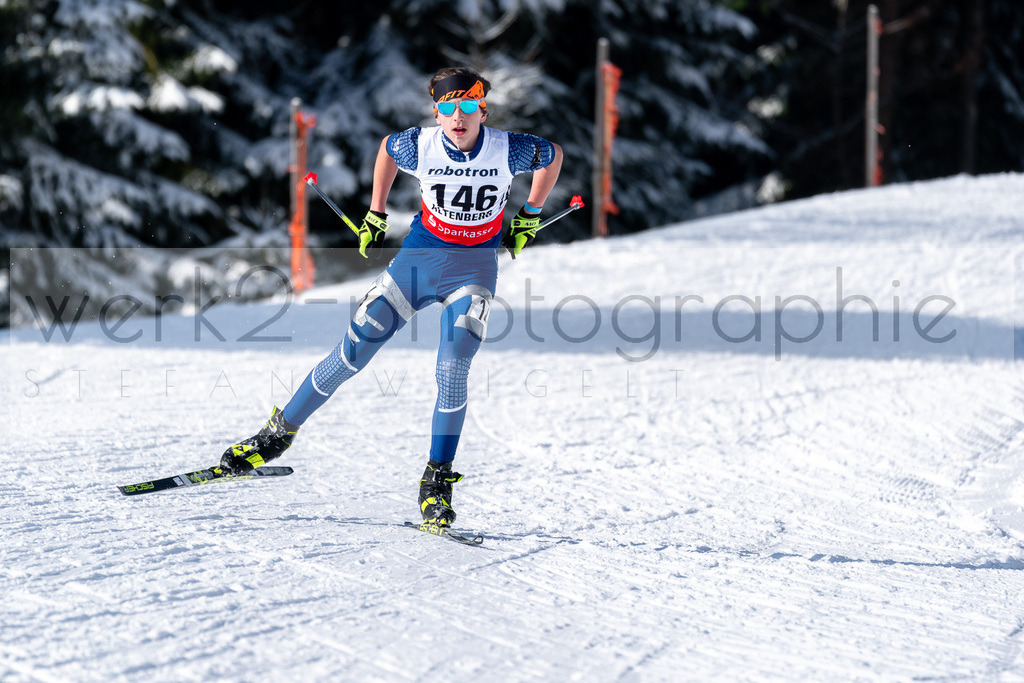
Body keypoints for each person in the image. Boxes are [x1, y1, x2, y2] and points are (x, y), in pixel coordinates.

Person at [219, 67, 563, 527]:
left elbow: (553, 155)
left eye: (466, 107)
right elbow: (385, 149)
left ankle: (436, 478)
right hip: (418, 262)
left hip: (473, 268)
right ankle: (278, 434)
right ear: (436, 111)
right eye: (446, 107)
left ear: (482, 108)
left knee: (454, 362)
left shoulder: (508, 148)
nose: (457, 117)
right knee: (357, 344)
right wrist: (376, 212)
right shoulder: (418, 145)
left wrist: (530, 214)